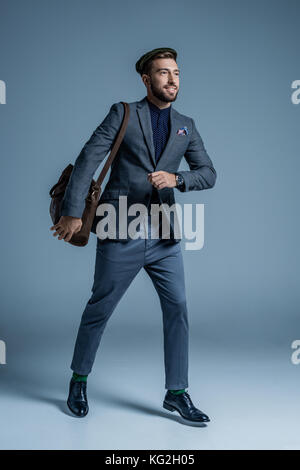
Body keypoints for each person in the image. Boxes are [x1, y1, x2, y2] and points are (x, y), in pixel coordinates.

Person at [50, 47, 217, 423]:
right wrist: (72, 213)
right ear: (147, 79)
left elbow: (208, 173)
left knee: (178, 309)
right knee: (100, 308)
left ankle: (177, 392)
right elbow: (89, 157)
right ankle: (78, 380)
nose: (172, 79)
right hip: (118, 228)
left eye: (176, 73)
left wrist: (178, 179)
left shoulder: (186, 124)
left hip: (164, 236)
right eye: (163, 73)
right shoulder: (123, 113)